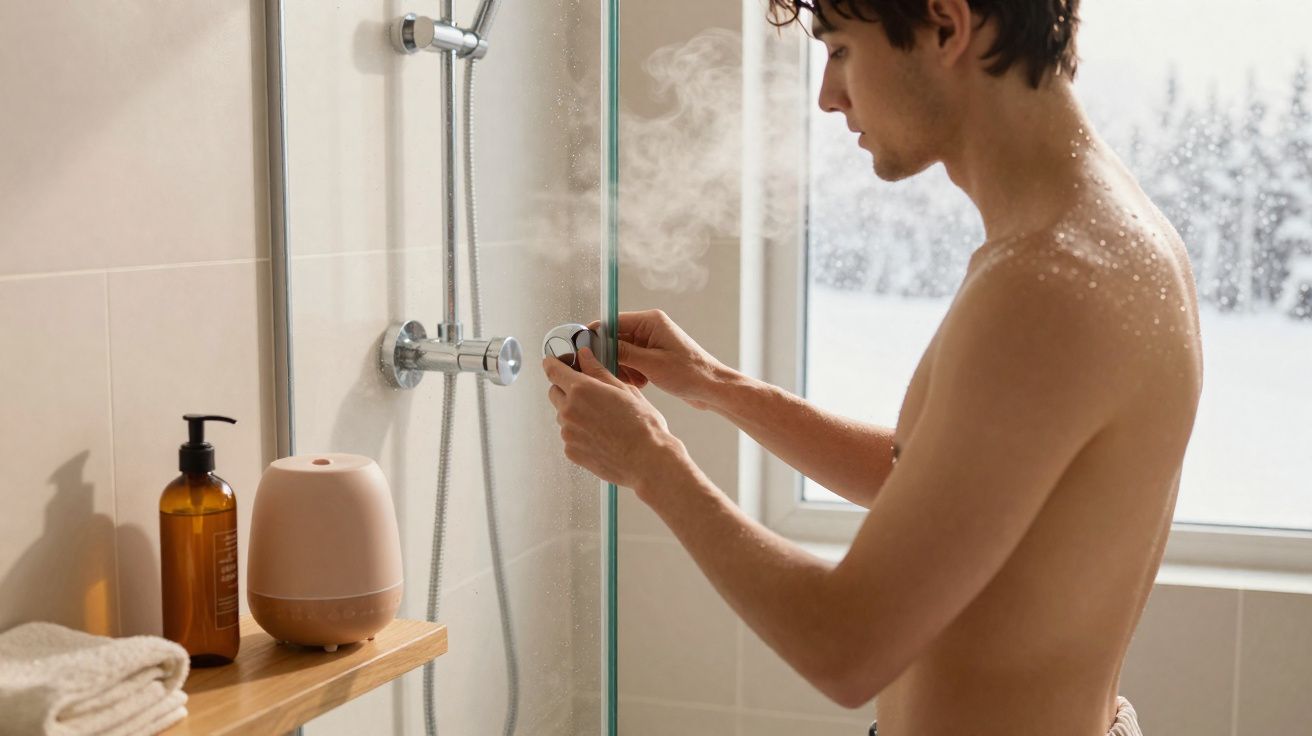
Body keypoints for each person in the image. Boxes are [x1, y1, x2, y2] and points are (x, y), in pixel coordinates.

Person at [542, 0, 1203, 733]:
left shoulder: (1049, 282)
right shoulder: (1097, 235)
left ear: (946, 26)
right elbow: (936, 489)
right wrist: (716, 386)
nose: (828, 95)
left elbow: (847, 644)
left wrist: (650, 461)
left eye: (841, 51)